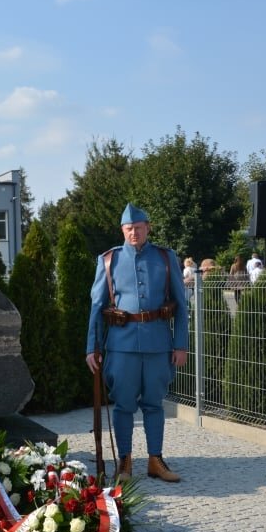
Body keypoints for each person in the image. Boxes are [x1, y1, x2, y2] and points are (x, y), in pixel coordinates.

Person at [85, 203, 188, 483]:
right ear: (122, 230)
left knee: (154, 404)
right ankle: (125, 463)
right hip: (121, 345)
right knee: (124, 405)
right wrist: (92, 348)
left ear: (147, 228)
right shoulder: (108, 260)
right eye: (129, 229)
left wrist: (180, 345)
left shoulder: (165, 258)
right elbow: (97, 306)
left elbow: (181, 304)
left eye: (139, 228)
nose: (134, 233)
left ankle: (156, 460)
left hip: (158, 343)